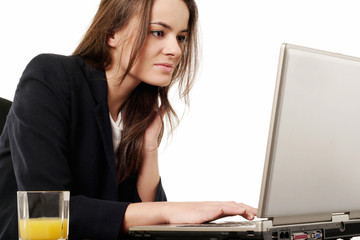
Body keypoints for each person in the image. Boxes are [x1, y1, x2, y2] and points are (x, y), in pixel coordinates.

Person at [0, 0, 257, 239]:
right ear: (112, 33)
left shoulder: (137, 110)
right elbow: (44, 216)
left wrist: (149, 149)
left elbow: (144, 225)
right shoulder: (50, 77)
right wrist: (172, 211)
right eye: (158, 32)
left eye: (181, 37)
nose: (175, 50)